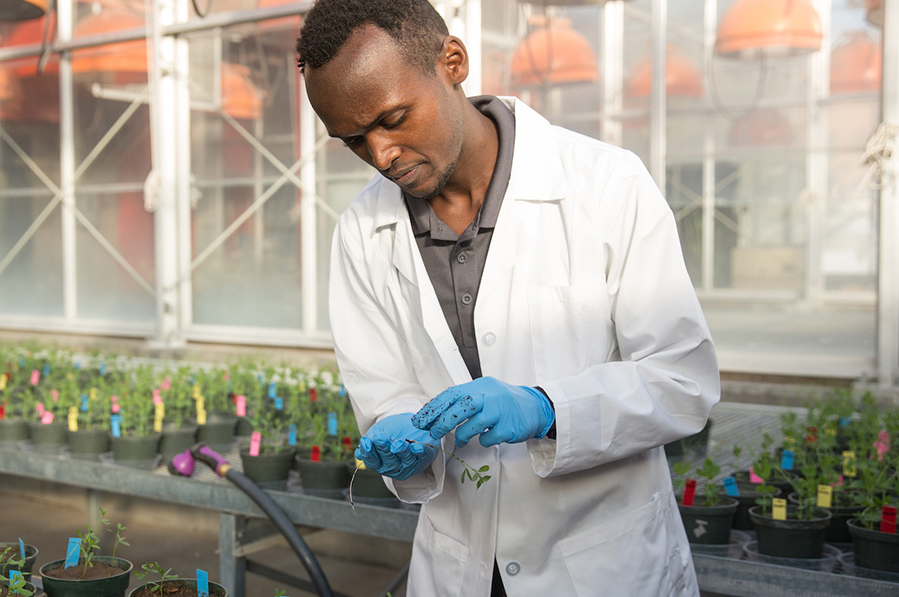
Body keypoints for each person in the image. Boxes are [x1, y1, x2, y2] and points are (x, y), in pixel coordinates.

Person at [296, 0, 719, 594]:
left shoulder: (605, 185)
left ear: (453, 61)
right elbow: (384, 389)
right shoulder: (363, 230)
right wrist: (398, 433)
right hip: (460, 565)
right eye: (353, 141)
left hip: (600, 564)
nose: (382, 155)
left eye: (393, 118)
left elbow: (682, 381)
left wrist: (548, 408)